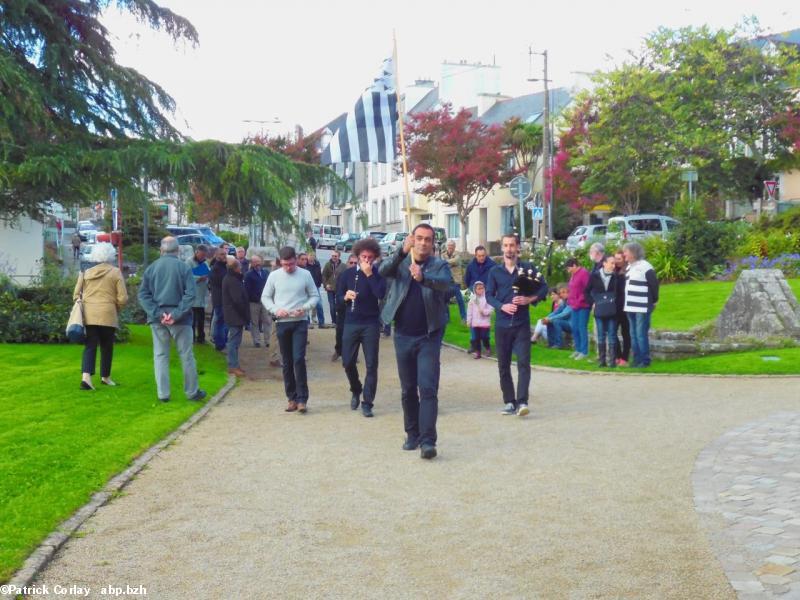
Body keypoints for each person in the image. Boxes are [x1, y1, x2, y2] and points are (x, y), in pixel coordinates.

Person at [380, 223, 451, 459]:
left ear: (432, 243)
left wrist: (423, 277)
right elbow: (383, 270)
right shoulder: (402, 262)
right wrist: (401, 251)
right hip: (403, 335)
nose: (423, 243)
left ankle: (428, 441)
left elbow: (445, 284)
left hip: (428, 336)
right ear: (412, 239)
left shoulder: (438, 265)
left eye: (427, 239)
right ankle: (412, 434)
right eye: (419, 238)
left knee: (428, 388)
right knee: (408, 389)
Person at [138, 237, 207, 403]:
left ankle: (163, 394)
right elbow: (191, 294)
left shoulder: (152, 268)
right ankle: (192, 392)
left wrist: (158, 314)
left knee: (160, 355)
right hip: (181, 319)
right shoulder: (184, 268)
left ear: (161, 250)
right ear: (178, 250)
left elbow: (143, 295)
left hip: (158, 319)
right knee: (186, 355)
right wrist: (175, 314)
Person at [486, 234, 548, 417]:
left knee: (523, 362)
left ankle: (522, 402)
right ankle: (509, 402)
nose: (509, 249)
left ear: (518, 247)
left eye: (512, 245)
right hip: (502, 324)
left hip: (521, 324)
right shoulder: (494, 272)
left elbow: (544, 288)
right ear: (502, 248)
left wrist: (529, 299)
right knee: (503, 365)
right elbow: (489, 295)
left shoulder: (527, 268)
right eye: (506, 245)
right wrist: (501, 306)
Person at [261, 246, 319, 413]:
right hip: (282, 321)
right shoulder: (274, 276)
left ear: (296, 260)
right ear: (280, 262)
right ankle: (291, 398)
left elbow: (314, 296)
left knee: (298, 359)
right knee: (287, 361)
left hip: (300, 321)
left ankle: (302, 399)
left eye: (291, 264)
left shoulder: (305, 274)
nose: (288, 268)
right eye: (285, 264)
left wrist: (305, 307)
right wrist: (275, 309)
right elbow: (265, 297)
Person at [336, 237, 386, 417]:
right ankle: (356, 388)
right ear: (357, 256)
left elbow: (380, 293)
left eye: (370, 257)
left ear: (375, 258)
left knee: (372, 364)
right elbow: (337, 301)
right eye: (364, 256)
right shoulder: (347, 274)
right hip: (351, 322)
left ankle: (368, 402)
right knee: (347, 361)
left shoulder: (378, 274)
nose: (367, 260)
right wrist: (345, 297)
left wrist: (369, 274)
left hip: (370, 323)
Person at [74, 243, 128, 390]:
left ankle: (86, 378)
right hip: (108, 313)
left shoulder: (86, 272)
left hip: (89, 314)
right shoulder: (115, 272)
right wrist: (116, 308)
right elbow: (123, 298)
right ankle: (105, 377)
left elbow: (76, 294)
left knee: (90, 345)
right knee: (107, 346)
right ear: (111, 256)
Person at [623, 242, 659, 368]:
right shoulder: (629, 267)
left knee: (640, 334)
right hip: (630, 306)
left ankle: (645, 360)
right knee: (633, 334)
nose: (624, 254)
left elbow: (654, 285)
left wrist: (654, 301)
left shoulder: (646, 266)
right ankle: (636, 359)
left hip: (642, 306)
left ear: (633, 253)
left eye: (626, 251)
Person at [587, 255, 621, 367]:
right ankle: (602, 361)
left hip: (612, 310)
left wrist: (616, 305)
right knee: (601, 335)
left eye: (614, 263)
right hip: (600, 309)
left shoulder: (616, 277)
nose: (613, 265)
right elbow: (586, 292)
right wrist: (593, 302)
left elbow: (620, 294)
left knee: (612, 335)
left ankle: (612, 361)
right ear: (604, 263)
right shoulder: (594, 276)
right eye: (611, 263)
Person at [222, 256, 250, 377]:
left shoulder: (232, 278)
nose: (241, 269)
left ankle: (235, 365)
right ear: (236, 268)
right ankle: (233, 365)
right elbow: (237, 300)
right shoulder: (232, 280)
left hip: (234, 315)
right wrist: (244, 314)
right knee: (233, 342)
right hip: (235, 315)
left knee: (235, 341)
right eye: (240, 267)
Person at [331, 254, 358, 361]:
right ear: (347, 263)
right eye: (351, 262)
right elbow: (338, 293)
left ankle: (353, 354)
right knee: (340, 332)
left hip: (356, 309)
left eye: (355, 263)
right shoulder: (343, 276)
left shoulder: (361, 276)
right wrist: (343, 299)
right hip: (343, 307)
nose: (353, 265)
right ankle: (338, 350)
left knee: (355, 334)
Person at [565, 257, 591, 360]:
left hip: (583, 306)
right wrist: (570, 301)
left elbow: (587, 289)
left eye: (569, 268)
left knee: (581, 327)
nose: (568, 270)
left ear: (574, 265)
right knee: (574, 327)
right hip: (574, 306)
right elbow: (572, 288)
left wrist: (579, 300)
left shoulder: (584, 273)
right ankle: (578, 349)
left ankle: (584, 351)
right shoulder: (573, 274)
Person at [244, 255, 270, 348]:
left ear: (262, 262)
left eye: (259, 261)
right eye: (255, 262)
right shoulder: (248, 275)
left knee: (267, 321)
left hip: (265, 302)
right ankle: (257, 340)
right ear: (252, 263)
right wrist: (255, 298)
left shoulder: (266, 273)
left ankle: (267, 341)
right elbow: (247, 290)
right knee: (254, 322)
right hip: (254, 302)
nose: (257, 264)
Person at [187, 244, 210, 344]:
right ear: (196, 252)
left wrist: (207, 276)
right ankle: (191, 337)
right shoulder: (189, 262)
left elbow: (208, 273)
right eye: (201, 255)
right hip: (193, 295)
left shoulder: (205, 263)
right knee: (192, 319)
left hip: (202, 294)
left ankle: (201, 337)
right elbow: (186, 277)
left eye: (204, 255)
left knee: (201, 318)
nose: (203, 257)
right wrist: (199, 278)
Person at [466, 281, 493, 359]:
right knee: (476, 338)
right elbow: (469, 311)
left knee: (485, 337)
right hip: (475, 323)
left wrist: (484, 312)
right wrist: (469, 321)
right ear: (475, 289)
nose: (481, 290)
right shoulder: (473, 299)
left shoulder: (487, 298)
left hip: (485, 322)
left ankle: (487, 348)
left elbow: (491, 309)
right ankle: (478, 352)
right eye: (479, 289)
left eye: (482, 288)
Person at [208, 247, 229, 351]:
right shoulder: (216, 268)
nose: (224, 256)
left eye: (225, 254)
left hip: (225, 299)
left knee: (224, 322)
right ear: (216, 256)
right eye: (222, 254)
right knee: (220, 322)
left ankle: (223, 342)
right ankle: (220, 344)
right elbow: (223, 282)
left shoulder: (224, 267)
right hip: (220, 299)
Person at [613, 250, 631, 366]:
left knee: (626, 333)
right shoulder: (613, 272)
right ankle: (617, 355)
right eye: (615, 259)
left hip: (625, 307)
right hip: (614, 307)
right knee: (612, 332)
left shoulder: (627, 272)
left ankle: (625, 357)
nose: (617, 261)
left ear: (624, 259)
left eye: (619, 259)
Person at [442, 239, 467, 323]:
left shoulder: (458, 255)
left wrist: (445, 262)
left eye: (452, 246)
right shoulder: (443, 255)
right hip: (446, 280)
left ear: (454, 247)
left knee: (459, 299)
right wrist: (446, 263)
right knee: (445, 299)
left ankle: (464, 317)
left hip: (456, 281)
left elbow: (455, 261)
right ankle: (447, 318)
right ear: (447, 247)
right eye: (449, 246)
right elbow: (442, 263)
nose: (450, 247)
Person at [322, 250, 346, 327]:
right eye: (332, 256)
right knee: (332, 306)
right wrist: (326, 285)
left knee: (339, 305)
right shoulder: (327, 264)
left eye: (335, 256)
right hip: (330, 288)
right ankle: (334, 322)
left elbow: (346, 276)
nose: (334, 257)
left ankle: (339, 320)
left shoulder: (343, 266)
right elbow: (324, 276)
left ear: (339, 256)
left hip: (340, 289)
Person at [305, 251, 326, 328]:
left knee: (319, 305)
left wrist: (320, 282)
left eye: (313, 256)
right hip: (306, 287)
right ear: (307, 256)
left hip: (316, 287)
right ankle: (307, 323)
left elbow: (319, 275)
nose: (311, 257)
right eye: (310, 255)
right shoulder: (305, 265)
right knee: (306, 305)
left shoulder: (317, 264)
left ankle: (322, 323)